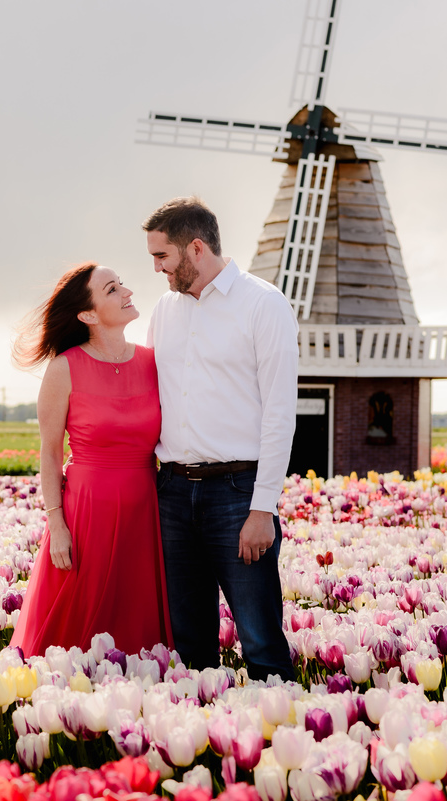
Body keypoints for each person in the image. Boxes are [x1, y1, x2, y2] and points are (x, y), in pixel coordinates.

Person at [143, 197, 298, 681]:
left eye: (161, 257)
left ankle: (280, 747)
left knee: (260, 640)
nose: (156, 269)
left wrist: (262, 508)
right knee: (188, 644)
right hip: (170, 491)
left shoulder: (263, 304)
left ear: (194, 248)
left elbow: (279, 413)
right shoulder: (165, 310)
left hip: (237, 494)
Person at [9, 262, 172, 656]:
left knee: (140, 633)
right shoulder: (64, 368)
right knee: (75, 633)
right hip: (85, 514)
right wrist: (56, 524)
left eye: (122, 284)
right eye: (113, 289)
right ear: (88, 315)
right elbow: (49, 453)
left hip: (146, 512)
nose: (127, 292)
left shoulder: (154, 362)